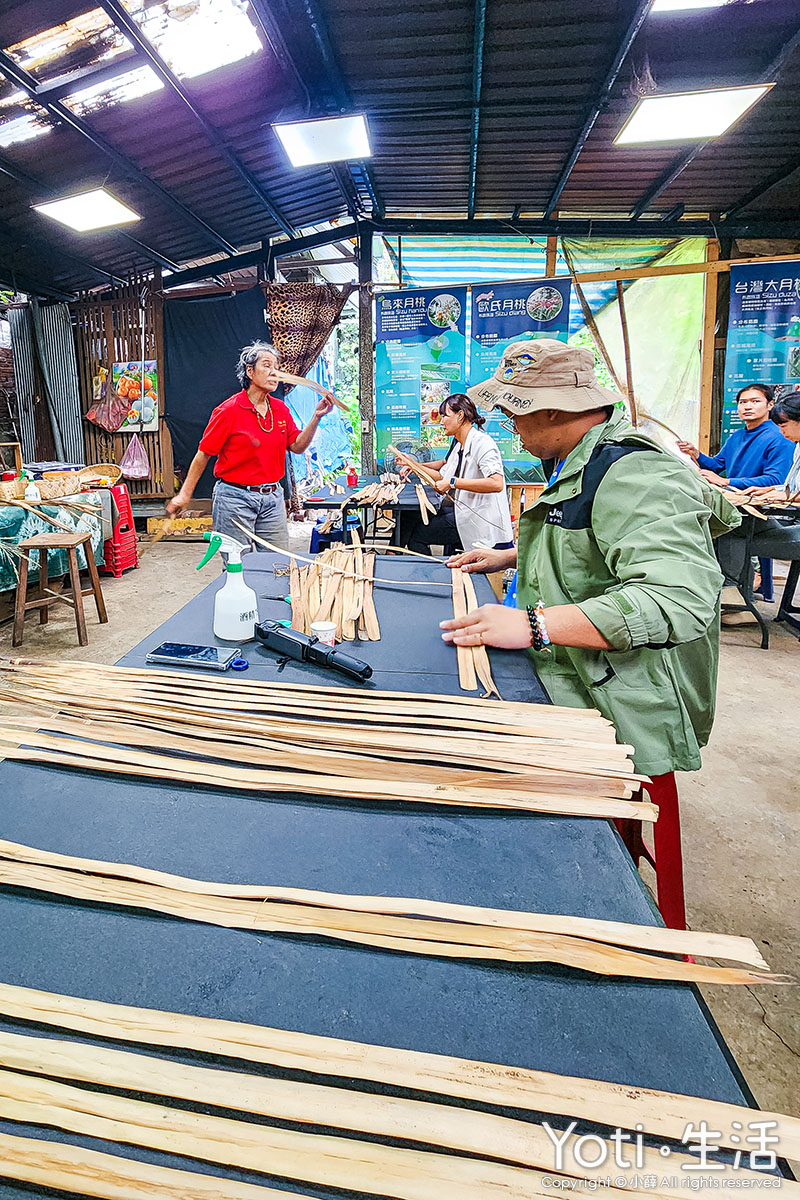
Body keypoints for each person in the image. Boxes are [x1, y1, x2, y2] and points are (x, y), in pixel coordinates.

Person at [439, 341, 740, 928]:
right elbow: (590, 548)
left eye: (516, 413)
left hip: (624, 694)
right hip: (585, 667)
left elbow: (676, 599)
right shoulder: (584, 459)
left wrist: (533, 623)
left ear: (551, 411)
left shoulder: (635, 470)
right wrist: (508, 557)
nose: (511, 426)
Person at [168, 341, 334, 551]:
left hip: (273, 498)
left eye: (277, 367)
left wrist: (316, 417)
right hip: (234, 499)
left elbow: (297, 446)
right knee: (238, 565)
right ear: (250, 371)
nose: (274, 372)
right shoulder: (228, 411)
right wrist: (184, 494)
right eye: (267, 365)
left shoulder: (280, 409)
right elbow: (203, 455)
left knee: (277, 564)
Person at [402, 393, 513, 555]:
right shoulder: (459, 445)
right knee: (413, 516)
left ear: (460, 416)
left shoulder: (483, 443)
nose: (441, 422)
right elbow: (441, 477)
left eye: (444, 416)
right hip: (465, 512)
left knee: (417, 537)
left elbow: (496, 483)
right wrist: (413, 464)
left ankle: (432, 576)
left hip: (482, 520)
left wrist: (453, 483)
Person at [677, 383, 794, 490]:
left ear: (770, 405)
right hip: (736, 499)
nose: (748, 407)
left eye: (755, 401)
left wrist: (726, 482)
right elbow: (716, 466)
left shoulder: (781, 436)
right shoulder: (736, 436)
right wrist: (695, 454)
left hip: (766, 506)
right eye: (742, 402)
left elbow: (776, 480)